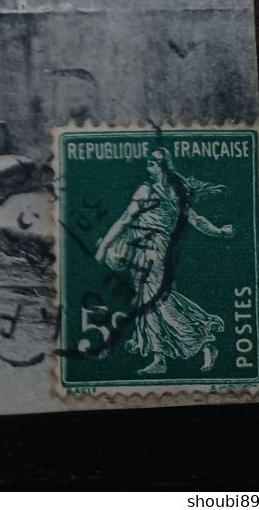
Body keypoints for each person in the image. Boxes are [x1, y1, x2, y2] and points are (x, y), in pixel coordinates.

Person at [94, 149, 234, 375]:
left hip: (153, 254)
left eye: (150, 164)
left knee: (159, 304)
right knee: (150, 304)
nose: (146, 168)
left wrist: (103, 248)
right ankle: (160, 358)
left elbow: (125, 219)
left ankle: (204, 341)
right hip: (149, 252)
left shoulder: (147, 190)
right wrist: (218, 231)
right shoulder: (174, 192)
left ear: (161, 167)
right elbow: (196, 220)